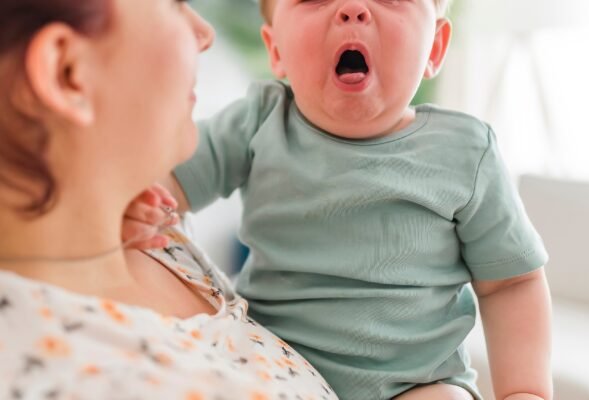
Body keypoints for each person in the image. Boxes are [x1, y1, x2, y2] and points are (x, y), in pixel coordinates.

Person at [128, 0, 553, 399]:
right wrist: (134, 204)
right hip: (274, 370)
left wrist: (524, 390)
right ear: (275, 48)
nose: (352, 9)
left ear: (435, 48)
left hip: (418, 383)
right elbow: (170, 183)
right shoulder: (258, 121)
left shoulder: (465, 151)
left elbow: (512, 283)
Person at [0, 1, 339, 399]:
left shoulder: (151, 234)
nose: (205, 34)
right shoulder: (66, 378)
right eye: (175, 4)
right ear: (68, 73)